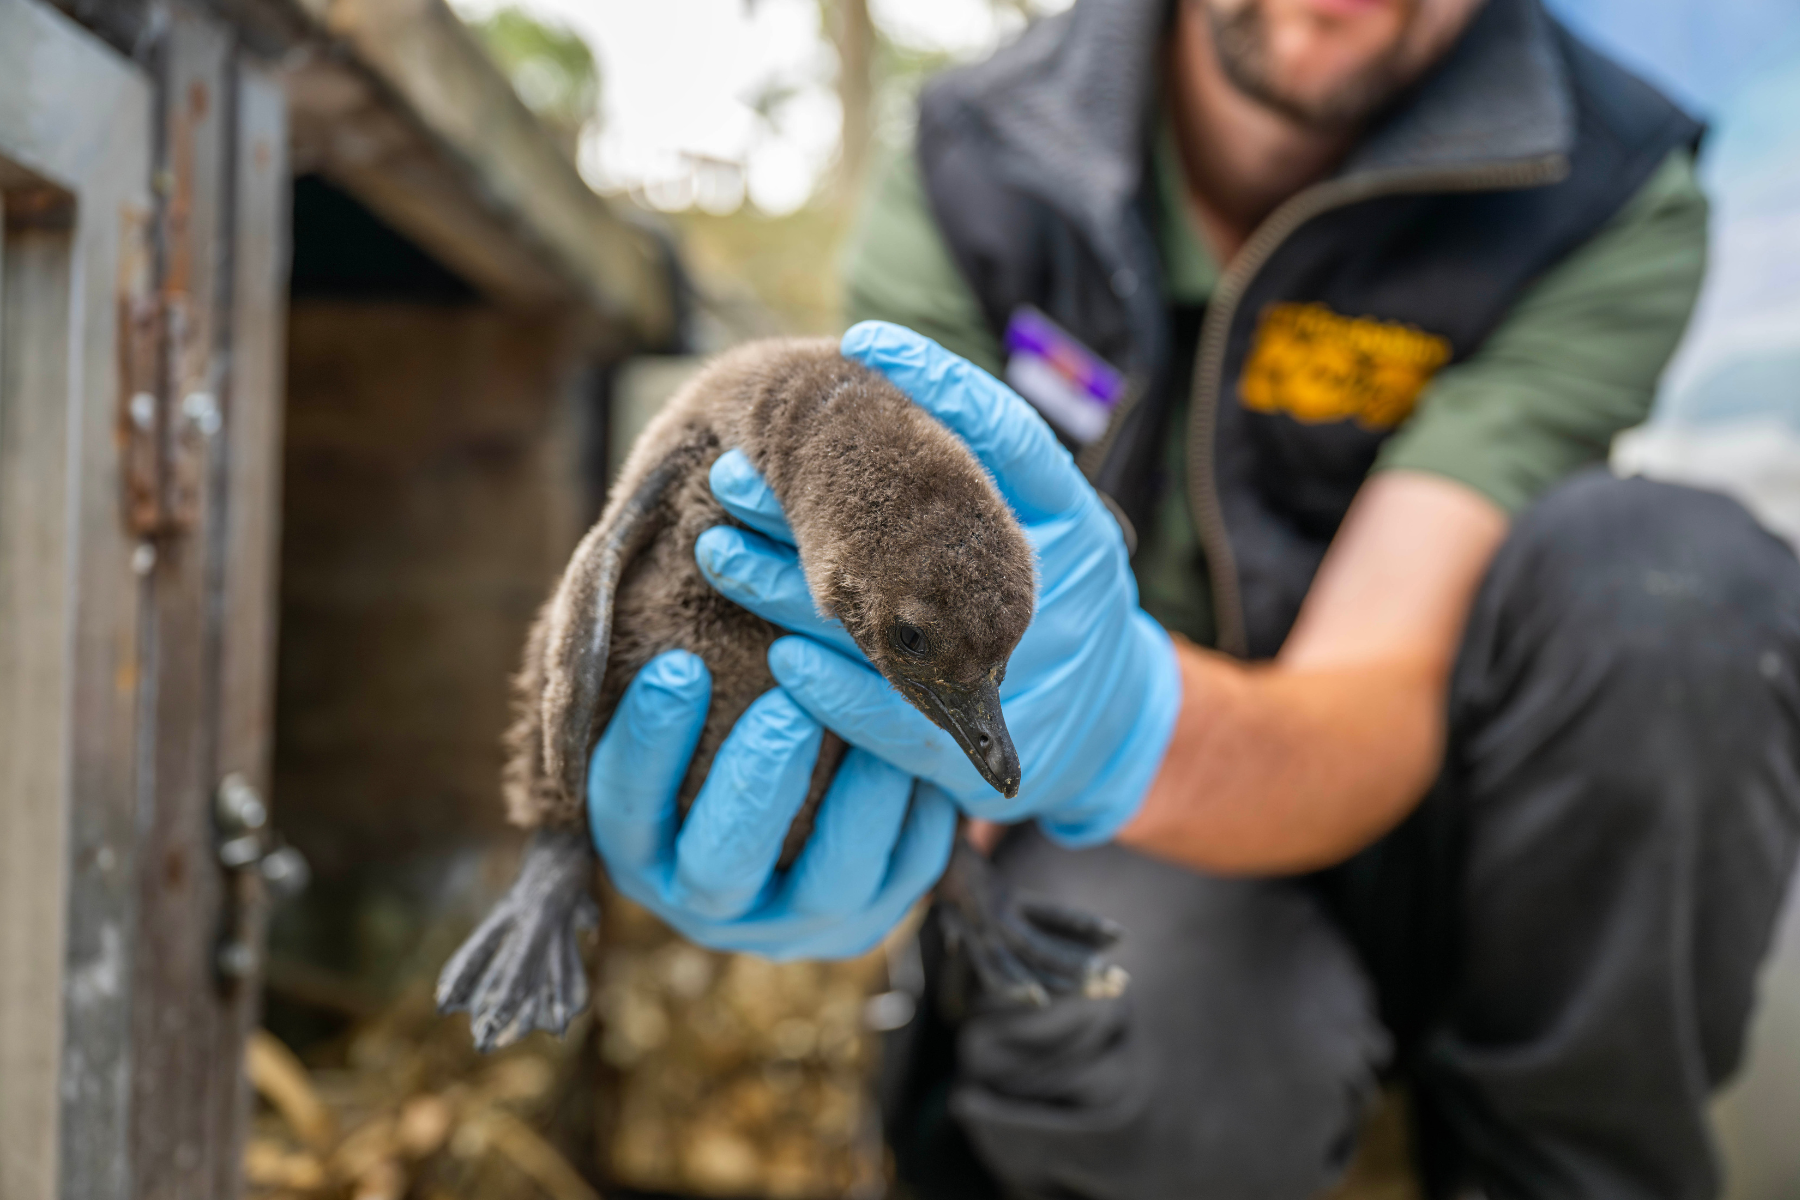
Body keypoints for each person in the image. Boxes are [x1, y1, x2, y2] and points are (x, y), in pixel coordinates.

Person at [586, 0, 1800, 1195]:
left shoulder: (1603, 186)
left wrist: (1123, 718)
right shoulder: (974, 162)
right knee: (1160, 1048)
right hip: (1115, 852)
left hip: (1449, 821)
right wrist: (861, 806)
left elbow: (1372, 692)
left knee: (1675, 587)